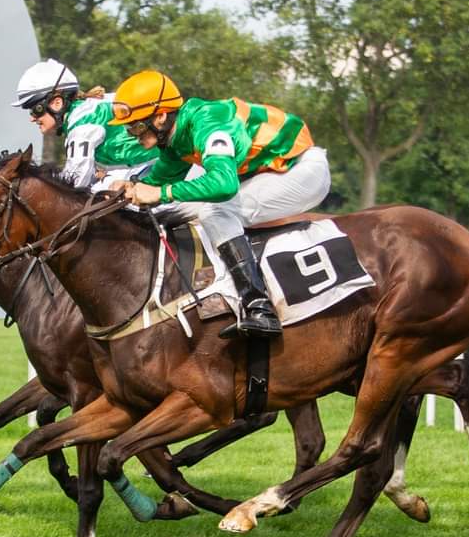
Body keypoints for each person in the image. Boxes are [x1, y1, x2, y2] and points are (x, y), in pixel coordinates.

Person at [108, 70, 331, 338]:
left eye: (136, 126)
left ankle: (258, 306)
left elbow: (223, 185)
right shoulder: (175, 139)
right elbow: (157, 183)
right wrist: (130, 187)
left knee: (215, 210)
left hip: (301, 170)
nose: (132, 134)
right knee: (177, 209)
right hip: (268, 174)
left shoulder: (208, 122)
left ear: (160, 116)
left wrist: (161, 192)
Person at [12, 59, 154, 189]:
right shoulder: (85, 109)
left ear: (57, 103)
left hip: (161, 168)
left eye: (35, 110)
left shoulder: (82, 125)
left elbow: (75, 181)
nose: (32, 118)